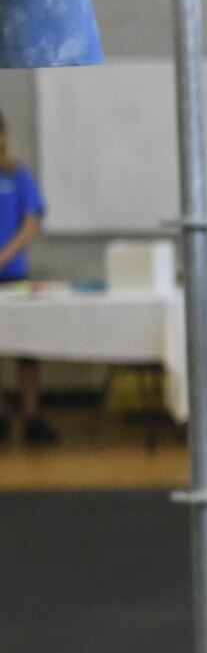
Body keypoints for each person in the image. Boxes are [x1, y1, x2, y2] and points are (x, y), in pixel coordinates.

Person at [0, 112, 55, 446]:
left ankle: (32, 415)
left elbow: (31, 221)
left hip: (14, 274)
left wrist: (5, 254)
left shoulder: (17, 174)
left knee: (27, 346)